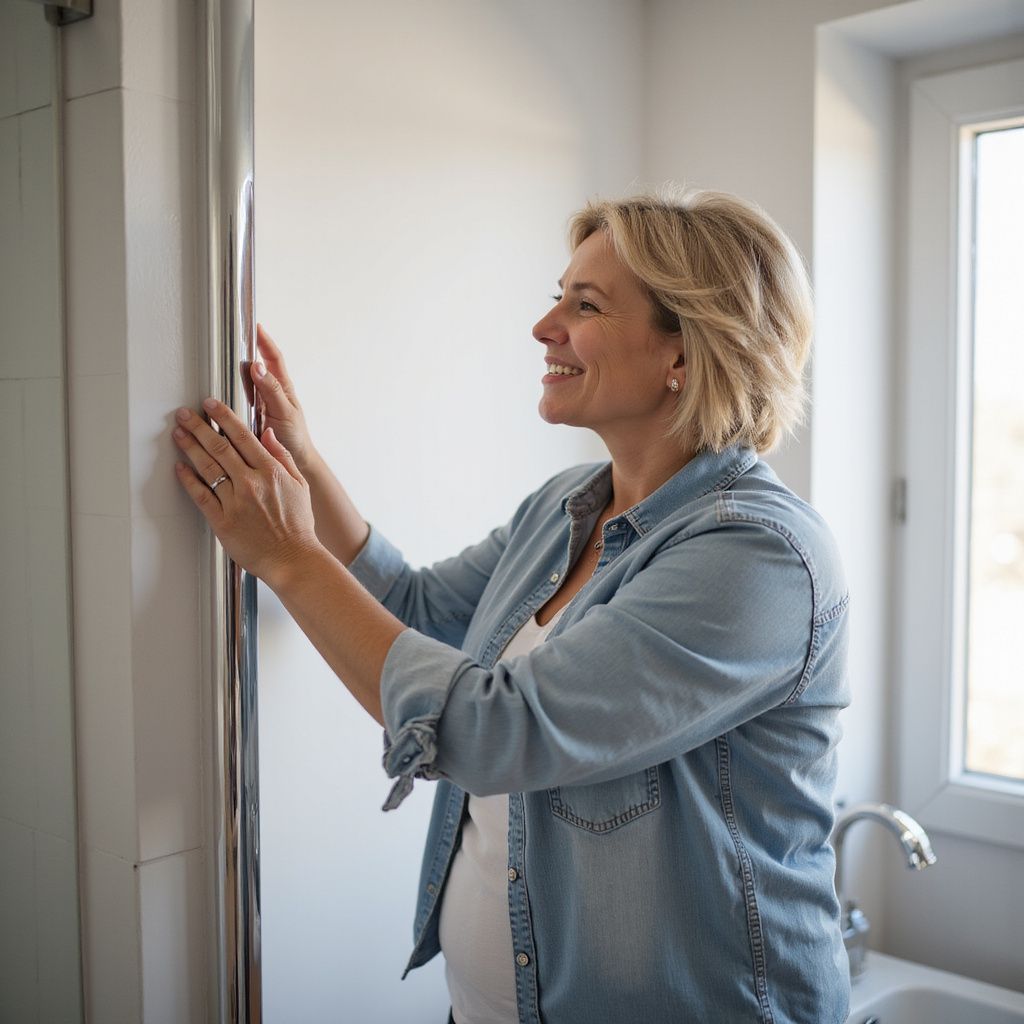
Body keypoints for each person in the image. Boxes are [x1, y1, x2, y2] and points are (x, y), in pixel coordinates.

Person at [172, 188, 851, 1024]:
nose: (544, 327)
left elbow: (497, 732)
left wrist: (288, 557)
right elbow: (417, 611)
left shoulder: (758, 558)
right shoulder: (567, 504)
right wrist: (302, 463)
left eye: (585, 304)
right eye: (557, 297)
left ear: (687, 348)